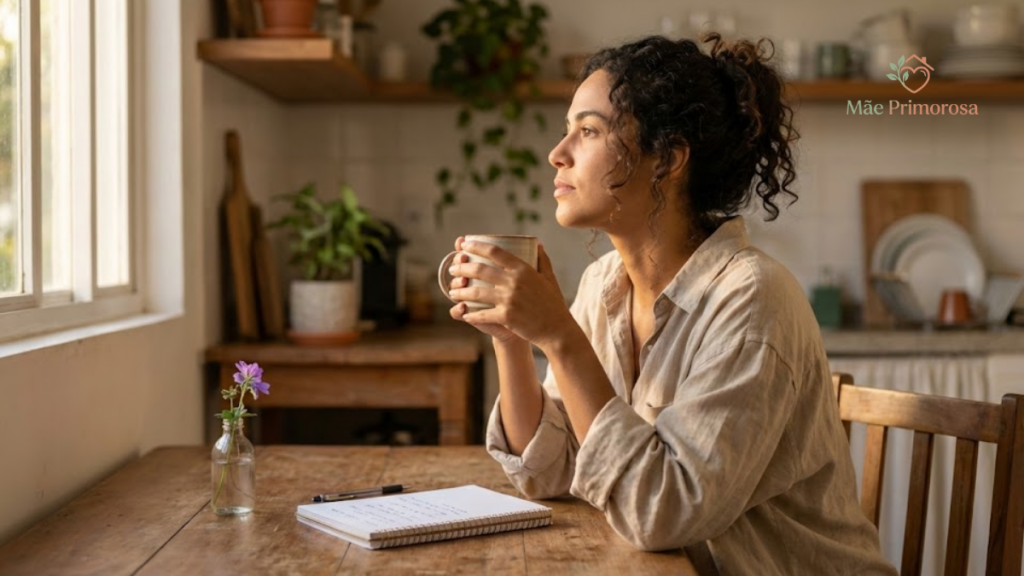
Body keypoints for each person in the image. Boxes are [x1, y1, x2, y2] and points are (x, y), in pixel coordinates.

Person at [444, 33, 896, 575]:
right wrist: (515, 340)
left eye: (587, 131)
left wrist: (560, 337)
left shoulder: (752, 299)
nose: (556, 154)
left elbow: (665, 516)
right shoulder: (603, 283)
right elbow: (552, 470)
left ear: (668, 159)